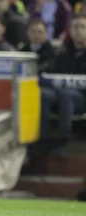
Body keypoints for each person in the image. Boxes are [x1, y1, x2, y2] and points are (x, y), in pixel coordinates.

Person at [40, 13, 86, 143]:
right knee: (43, 94)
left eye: (82, 27)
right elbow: (46, 69)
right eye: (75, 27)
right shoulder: (61, 53)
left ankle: (63, 137)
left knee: (66, 95)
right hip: (58, 91)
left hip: (81, 96)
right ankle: (42, 137)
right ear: (70, 31)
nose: (78, 31)